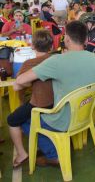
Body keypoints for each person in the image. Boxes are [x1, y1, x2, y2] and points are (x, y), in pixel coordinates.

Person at [13, 21, 95, 166]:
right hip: (84, 114)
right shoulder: (94, 58)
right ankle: (50, 147)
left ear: (66, 39)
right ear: (86, 40)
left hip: (63, 119)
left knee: (24, 119)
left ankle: (53, 155)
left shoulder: (57, 61)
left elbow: (21, 79)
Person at [8, 30, 54, 168]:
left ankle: (22, 154)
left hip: (40, 104)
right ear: (51, 47)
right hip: (58, 102)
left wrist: (29, 81)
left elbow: (17, 87)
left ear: (32, 46)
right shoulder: (55, 58)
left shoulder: (29, 63)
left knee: (12, 120)